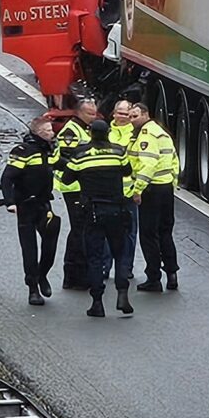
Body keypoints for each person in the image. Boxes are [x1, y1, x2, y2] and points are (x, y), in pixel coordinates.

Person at [67, 117, 137, 318]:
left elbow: (67, 178)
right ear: (108, 133)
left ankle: (97, 302)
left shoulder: (80, 154)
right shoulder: (118, 152)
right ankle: (122, 293)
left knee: (95, 257)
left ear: (90, 133)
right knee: (120, 253)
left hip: (93, 212)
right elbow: (127, 171)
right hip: (117, 209)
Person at [115, 99, 183, 292]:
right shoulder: (161, 132)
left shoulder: (147, 135)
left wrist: (138, 190)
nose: (131, 120)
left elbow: (148, 164)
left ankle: (154, 278)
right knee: (165, 233)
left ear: (145, 115)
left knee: (148, 235)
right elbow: (174, 160)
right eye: (129, 116)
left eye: (135, 116)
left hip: (151, 190)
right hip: (165, 188)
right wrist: (173, 183)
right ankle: (172, 275)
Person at [0, 112, 63, 305]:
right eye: (49, 131)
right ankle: (32, 287)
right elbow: (8, 177)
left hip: (43, 204)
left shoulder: (49, 150)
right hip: (25, 205)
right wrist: (9, 202)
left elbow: (58, 164)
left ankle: (42, 274)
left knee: (51, 242)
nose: (53, 133)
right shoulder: (23, 151)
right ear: (39, 132)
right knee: (29, 249)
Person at [51, 102, 99, 290]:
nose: (93, 116)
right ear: (79, 112)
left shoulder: (83, 129)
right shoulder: (70, 131)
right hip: (72, 186)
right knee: (79, 229)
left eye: (95, 113)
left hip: (81, 186)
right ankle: (73, 275)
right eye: (89, 113)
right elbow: (65, 159)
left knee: (82, 228)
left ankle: (77, 273)